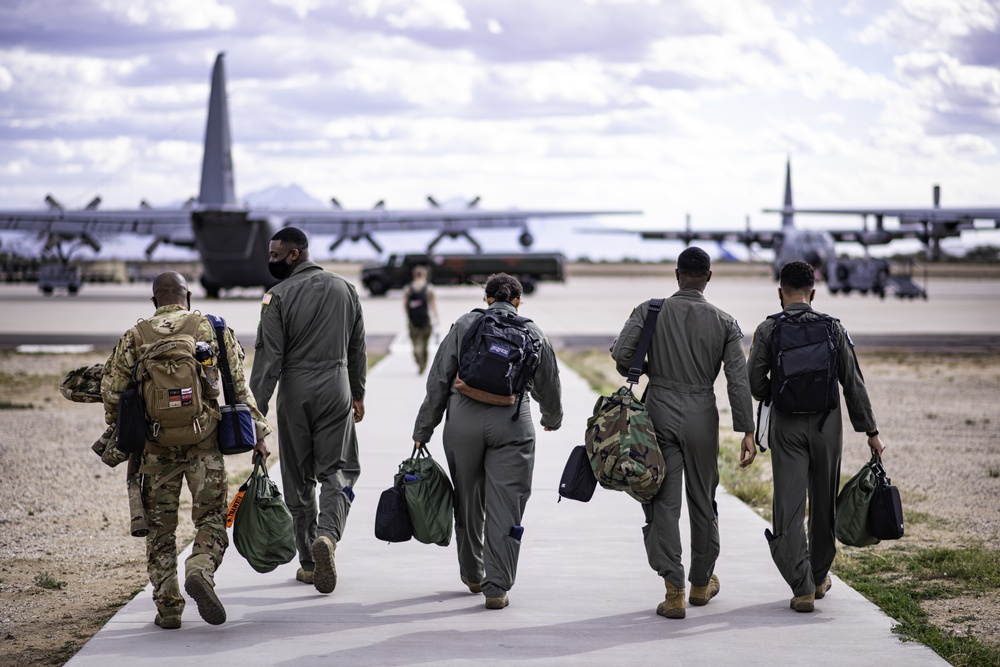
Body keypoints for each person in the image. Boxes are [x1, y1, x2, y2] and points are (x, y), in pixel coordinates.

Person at [101, 271, 271, 630]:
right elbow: (238, 387)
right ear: (188, 297)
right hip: (204, 444)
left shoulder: (135, 336)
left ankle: (169, 609)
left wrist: (127, 429)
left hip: (154, 450)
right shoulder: (212, 329)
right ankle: (200, 566)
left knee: (160, 532)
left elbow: (113, 394)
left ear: (154, 301)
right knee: (212, 517)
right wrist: (259, 434)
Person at [610, 246, 756, 620]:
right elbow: (738, 381)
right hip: (701, 412)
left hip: (658, 406)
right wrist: (747, 429)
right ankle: (701, 583)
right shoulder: (724, 321)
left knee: (663, 500)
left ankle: (673, 590)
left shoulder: (650, 310)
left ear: (677, 274)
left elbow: (622, 354)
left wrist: (650, 367)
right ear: (708, 277)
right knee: (703, 501)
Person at [412, 273, 562, 610]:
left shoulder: (465, 325)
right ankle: (497, 587)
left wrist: (424, 428)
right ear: (519, 301)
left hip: (463, 421)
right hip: (512, 423)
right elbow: (548, 383)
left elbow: (439, 379)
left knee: (468, 501)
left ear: (487, 298)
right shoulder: (532, 330)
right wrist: (551, 418)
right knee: (506, 506)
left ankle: (473, 574)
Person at [747, 260, 885, 613]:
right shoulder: (832, 328)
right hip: (827, 425)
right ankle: (820, 576)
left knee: (788, 507)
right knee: (824, 503)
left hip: (787, 426)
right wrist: (871, 431)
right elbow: (853, 384)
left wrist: (777, 392)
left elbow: (754, 383)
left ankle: (802, 587)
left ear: (780, 293)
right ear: (813, 292)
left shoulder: (767, 329)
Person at [250, 227, 367, 595]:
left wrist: (255, 415)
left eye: (275, 254)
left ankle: (309, 561)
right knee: (339, 469)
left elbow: (269, 360)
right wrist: (358, 393)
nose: (270, 261)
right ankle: (328, 536)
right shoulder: (345, 289)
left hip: (295, 389)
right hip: (337, 384)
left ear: (295, 254)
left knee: (298, 475)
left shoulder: (277, 296)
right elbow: (358, 347)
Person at [403, 265, 439, 373]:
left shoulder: (408, 288)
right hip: (426, 320)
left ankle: (418, 360)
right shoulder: (428, 288)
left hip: (413, 321)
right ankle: (423, 362)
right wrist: (436, 318)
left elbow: (404, 304)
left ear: (414, 275)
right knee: (425, 344)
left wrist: (408, 316)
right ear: (424, 275)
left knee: (415, 343)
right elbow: (433, 305)